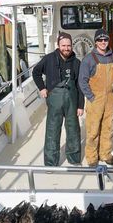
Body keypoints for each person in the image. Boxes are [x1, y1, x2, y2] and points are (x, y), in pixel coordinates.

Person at [33, 32, 84, 167]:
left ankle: (74, 159)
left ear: (72, 46)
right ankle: (51, 162)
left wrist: (80, 105)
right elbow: (36, 72)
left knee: (73, 130)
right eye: (63, 45)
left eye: (68, 45)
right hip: (54, 101)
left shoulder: (77, 62)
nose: (66, 48)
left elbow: (79, 86)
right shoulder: (48, 59)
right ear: (58, 45)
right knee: (52, 131)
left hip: (72, 102)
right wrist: (42, 88)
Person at [78, 29, 113, 167]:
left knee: (108, 128)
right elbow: (82, 81)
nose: (103, 42)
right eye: (100, 40)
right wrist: (91, 97)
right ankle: (92, 157)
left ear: (108, 41)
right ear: (95, 42)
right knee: (93, 129)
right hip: (95, 99)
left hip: (110, 98)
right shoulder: (89, 59)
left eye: (105, 40)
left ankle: (105, 154)